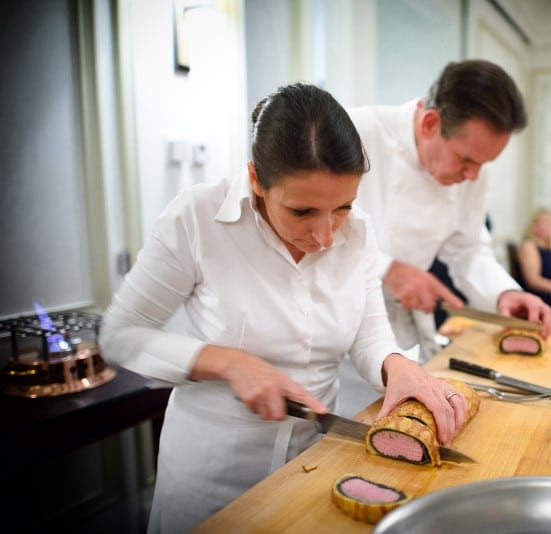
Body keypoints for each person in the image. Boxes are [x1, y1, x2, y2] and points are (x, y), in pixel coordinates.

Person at [98, 84, 471, 532]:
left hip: (315, 465)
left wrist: (397, 367)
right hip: (212, 479)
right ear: (256, 179)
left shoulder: (359, 232)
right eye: (302, 212)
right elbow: (120, 334)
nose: (326, 236)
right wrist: (225, 362)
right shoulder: (196, 218)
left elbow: (368, 333)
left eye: (343, 207)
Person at [348, 60, 551, 363]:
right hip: (342, 331)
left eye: (483, 164)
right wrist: (386, 269)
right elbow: (311, 234)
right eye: (465, 160)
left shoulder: (473, 172)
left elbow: (468, 249)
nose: (472, 175)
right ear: (430, 124)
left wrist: (504, 294)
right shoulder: (359, 133)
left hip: (403, 333)